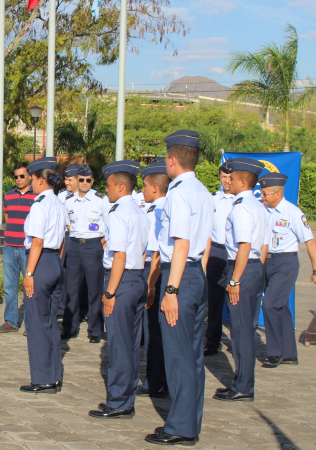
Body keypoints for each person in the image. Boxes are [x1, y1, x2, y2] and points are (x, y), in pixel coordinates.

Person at [145, 130, 212, 446]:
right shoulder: (202, 190)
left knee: (177, 355)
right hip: (195, 273)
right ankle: (188, 422)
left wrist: (171, 291)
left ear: (172, 160)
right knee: (192, 356)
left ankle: (181, 428)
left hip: (179, 275)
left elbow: (181, 242)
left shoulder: (178, 193)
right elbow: (204, 242)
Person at [89, 160, 148, 418]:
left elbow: (120, 256)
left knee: (118, 345)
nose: (107, 189)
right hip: (137, 278)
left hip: (121, 280)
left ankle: (119, 402)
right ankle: (125, 397)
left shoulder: (119, 213)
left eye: (110, 184)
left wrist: (110, 292)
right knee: (131, 344)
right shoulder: (139, 211)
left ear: (121, 186)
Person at [212, 158, 269, 402]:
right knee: (246, 328)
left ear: (243, 181)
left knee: (241, 330)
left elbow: (244, 245)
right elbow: (263, 245)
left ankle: (243, 385)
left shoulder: (242, 207)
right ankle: (243, 381)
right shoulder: (258, 206)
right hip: (254, 268)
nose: (229, 181)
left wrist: (235, 280)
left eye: (232, 178)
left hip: (241, 268)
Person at [19, 157, 66, 394]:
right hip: (55, 261)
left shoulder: (39, 204)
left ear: (39, 179)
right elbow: (63, 240)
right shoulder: (59, 203)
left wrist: (29, 272)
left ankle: (42, 378)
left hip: (39, 262)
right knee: (50, 323)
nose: (31, 182)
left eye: (32, 178)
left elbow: (37, 241)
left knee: (36, 322)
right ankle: (54, 375)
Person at [260, 172, 316, 367]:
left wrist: (315, 269)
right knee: (280, 306)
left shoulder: (292, 212)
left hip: (285, 262)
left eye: (265, 193)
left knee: (269, 305)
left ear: (278, 193)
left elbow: (309, 241)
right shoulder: (263, 211)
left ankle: (275, 352)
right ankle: (290, 354)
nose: (262, 196)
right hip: (266, 261)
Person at [62, 165, 111, 343]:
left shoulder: (101, 199)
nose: (84, 183)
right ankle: (69, 327)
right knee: (72, 289)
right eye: (81, 179)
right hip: (74, 245)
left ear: (92, 181)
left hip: (93, 245)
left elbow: (109, 225)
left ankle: (96, 330)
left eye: (88, 180)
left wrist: (100, 243)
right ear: (77, 180)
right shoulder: (69, 200)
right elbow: (68, 225)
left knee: (95, 290)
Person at [136, 161, 170, 397]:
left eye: (145, 186)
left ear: (155, 188)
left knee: (153, 329)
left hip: (154, 270)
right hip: (156, 268)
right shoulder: (159, 207)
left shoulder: (159, 210)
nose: (143, 190)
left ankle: (155, 381)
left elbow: (156, 253)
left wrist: (150, 283)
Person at [0, 162, 36, 334]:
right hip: (9, 247)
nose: (19, 179)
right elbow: (7, 216)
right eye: (16, 176)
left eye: (22, 176)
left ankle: (30, 324)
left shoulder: (37, 196)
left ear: (30, 177)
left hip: (27, 249)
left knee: (29, 287)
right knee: (9, 287)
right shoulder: (9, 195)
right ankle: (11, 322)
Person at [204, 164, 234, 356]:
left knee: (234, 299)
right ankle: (212, 341)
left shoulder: (241, 202)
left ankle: (237, 341)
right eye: (223, 176)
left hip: (233, 254)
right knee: (213, 300)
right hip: (215, 250)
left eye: (230, 177)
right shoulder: (212, 199)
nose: (226, 180)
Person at [56, 164, 81, 322]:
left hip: (79, 238)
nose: (67, 182)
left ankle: (79, 309)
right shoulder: (61, 196)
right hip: (65, 236)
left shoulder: (88, 197)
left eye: (70, 180)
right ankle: (61, 307)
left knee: (78, 277)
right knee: (63, 273)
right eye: (65, 179)